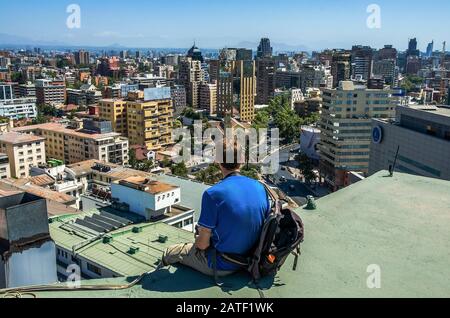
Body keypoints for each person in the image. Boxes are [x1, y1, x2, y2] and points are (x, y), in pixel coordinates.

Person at [162, 139, 270, 277]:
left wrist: (198, 239)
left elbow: (202, 245)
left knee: (170, 253)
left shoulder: (213, 194)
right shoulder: (260, 187)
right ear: (242, 160)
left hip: (223, 264)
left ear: (217, 161)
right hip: (252, 258)